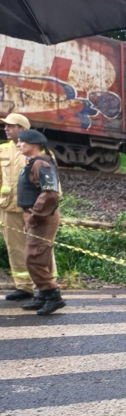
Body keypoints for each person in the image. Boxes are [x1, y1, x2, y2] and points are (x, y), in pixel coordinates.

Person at [15, 129, 66, 315]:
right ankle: (44, 294)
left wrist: (34, 215)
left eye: (22, 142)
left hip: (42, 218)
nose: (18, 144)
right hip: (35, 217)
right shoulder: (32, 163)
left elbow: (50, 193)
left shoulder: (41, 164)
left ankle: (53, 296)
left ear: (34, 145)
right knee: (35, 257)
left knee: (34, 257)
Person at [1, 113, 35, 301]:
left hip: (32, 210)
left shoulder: (38, 150)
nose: (6, 129)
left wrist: (39, 210)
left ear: (22, 128)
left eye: (10, 126)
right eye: (5, 126)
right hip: (8, 208)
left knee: (40, 248)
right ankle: (24, 287)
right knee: (14, 248)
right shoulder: (3, 150)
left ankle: (48, 289)